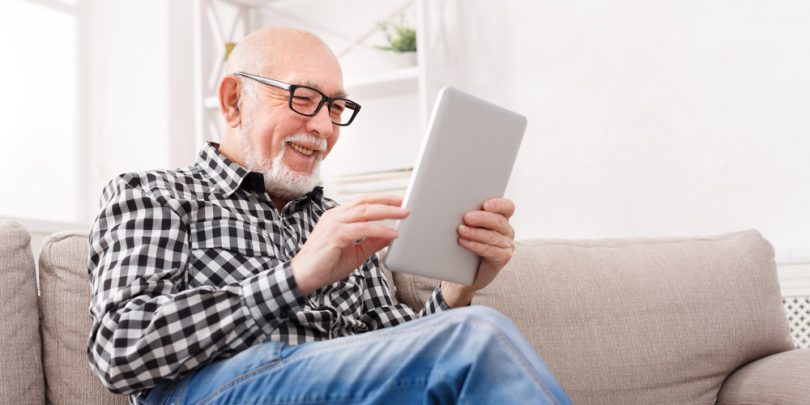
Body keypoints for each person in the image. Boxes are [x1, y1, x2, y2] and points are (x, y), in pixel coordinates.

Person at [87, 27, 570, 405]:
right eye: (303, 98)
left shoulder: (341, 222)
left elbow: (396, 352)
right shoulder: (155, 193)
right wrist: (295, 277)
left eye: (337, 107)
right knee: (478, 335)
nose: (322, 127)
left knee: (474, 323)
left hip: (337, 384)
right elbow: (119, 349)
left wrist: (457, 289)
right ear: (234, 101)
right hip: (213, 388)